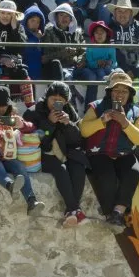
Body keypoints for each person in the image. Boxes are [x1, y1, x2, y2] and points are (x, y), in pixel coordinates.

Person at [79, 71, 139, 229]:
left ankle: (118, 212)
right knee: (106, 176)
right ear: (109, 92)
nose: (120, 94)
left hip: (124, 154)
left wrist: (125, 122)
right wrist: (102, 120)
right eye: (116, 90)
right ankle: (110, 214)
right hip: (99, 153)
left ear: (130, 94)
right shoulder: (96, 107)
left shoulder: (137, 113)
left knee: (133, 172)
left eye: (124, 91)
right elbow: (84, 130)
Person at [24, 80, 89, 227]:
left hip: (65, 151)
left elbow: (76, 140)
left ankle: (71, 211)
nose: (56, 103)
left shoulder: (69, 111)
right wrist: (49, 123)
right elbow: (35, 140)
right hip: (41, 153)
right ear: (47, 97)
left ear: (66, 101)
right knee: (61, 170)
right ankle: (74, 210)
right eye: (53, 99)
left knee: (78, 167)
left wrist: (68, 124)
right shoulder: (33, 112)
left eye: (61, 100)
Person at [0, 84, 42, 216]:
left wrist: (22, 125)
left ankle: (32, 201)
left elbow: (32, 127)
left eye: (4, 106)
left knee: (19, 166)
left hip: (7, 154)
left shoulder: (11, 114)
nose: (2, 109)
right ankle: (9, 185)